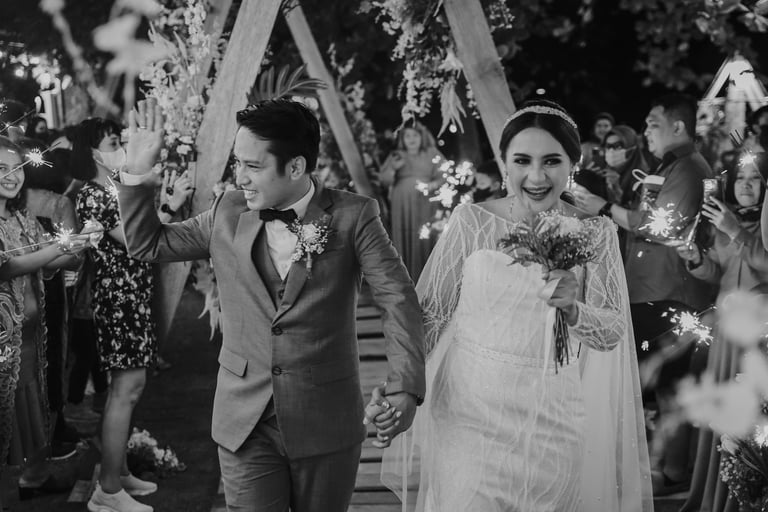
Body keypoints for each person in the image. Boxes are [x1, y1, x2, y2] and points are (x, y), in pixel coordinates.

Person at [115, 98, 425, 512]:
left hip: (326, 418)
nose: (239, 177)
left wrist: (405, 387)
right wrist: (136, 174)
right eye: (237, 163)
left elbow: (397, 298)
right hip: (245, 421)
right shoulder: (226, 211)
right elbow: (148, 244)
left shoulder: (355, 215)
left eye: (253, 166)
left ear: (295, 167)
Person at [378, 100, 652, 511]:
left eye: (552, 161)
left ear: (573, 164)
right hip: (468, 414)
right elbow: (430, 318)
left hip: (554, 418)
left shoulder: (596, 232)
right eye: (522, 160)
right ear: (504, 162)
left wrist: (575, 310)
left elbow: (612, 331)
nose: (536, 176)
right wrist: (400, 385)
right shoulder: (471, 222)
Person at [575, 93, 715, 495]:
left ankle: (668, 472)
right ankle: (665, 470)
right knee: (662, 386)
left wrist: (604, 207)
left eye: (653, 123)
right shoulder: (668, 165)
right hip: (651, 288)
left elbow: (659, 226)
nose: (646, 131)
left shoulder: (688, 168)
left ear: (678, 126)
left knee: (659, 385)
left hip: (669, 291)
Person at [71, 118, 162, 512]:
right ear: (94, 153)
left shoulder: (111, 189)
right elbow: (136, 238)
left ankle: (119, 472)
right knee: (127, 388)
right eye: (113, 142)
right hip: (119, 298)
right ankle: (107, 490)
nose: (121, 147)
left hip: (132, 296)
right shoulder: (94, 195)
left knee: (127, 390)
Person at [0, 136, 90, 508]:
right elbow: (7, 266)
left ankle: (33, 477)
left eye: (16, 168)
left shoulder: (20, 216)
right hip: (3, 344)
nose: (11, 176)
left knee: (32, 410)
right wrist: (58, 248)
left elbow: (47, 261)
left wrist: (77, 249)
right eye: (1, 169)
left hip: (30, 337)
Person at [680, 153, 768, 512]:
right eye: (740, 178)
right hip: (726, 329)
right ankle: (716, 496)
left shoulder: (749, 222)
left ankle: (747, 497)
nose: (745, 185)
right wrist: (696, 260)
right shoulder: (723, 218)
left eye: (755, 178)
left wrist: (736, 231)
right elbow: (719, 273)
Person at [380, 121, 444, 283]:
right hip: (402, 203)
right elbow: (384, 181)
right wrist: (393, 168)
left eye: (415, 135)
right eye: (407, 136)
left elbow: (444, 174)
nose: (411, 139)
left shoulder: (431, 152)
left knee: (424, 235)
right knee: (405, 233)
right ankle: (407, 280)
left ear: (422, 137)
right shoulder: (397, 155)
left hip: (426, 201)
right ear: (402, 139)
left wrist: (434, 184)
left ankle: (428, 279)